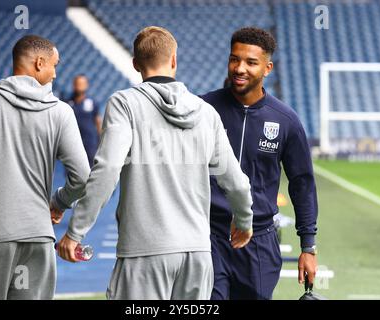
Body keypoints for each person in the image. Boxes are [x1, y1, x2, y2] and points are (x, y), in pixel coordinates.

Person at [57, 26, 254, 300]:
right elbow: (236, 181)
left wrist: (75, 231)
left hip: (144, 252)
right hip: (197, 255)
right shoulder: (206, 113)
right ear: (174, 60)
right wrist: (244, 220)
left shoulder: (125, 104)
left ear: (135, 64)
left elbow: (108, 169)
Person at [0, 35, 90, 300]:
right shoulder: (61, 112)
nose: (55, 74)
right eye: (54, 65)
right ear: (39, 63)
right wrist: (59, 202)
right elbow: (82, 176)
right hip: (38, 236)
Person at [201, 27, 318, 300]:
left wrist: (308, 247)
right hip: (208, 236)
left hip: (259, 241)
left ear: (267, 68)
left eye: (251, 62)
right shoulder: (203, 110)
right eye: (234, 59)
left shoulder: (286, 120)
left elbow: (302, 185)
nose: (240, 68)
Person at [67, 75, 102, 167]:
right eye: (77, 83)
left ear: (86, 85)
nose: (79, 86)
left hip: (90, 143)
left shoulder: (92, 103)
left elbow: (98, 121)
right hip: (72, 143)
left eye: (82, 83)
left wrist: (101, 140)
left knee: (91, 170)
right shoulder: (67, 103)